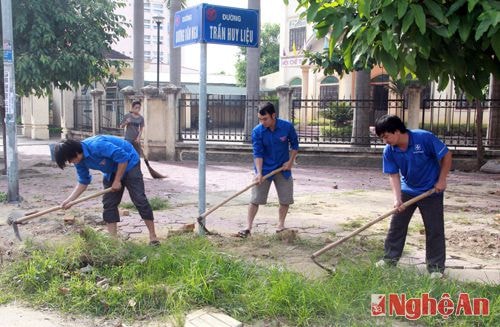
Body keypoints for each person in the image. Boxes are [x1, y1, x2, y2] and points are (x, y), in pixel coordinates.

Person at [374, 115, 452, 278]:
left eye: (386, 136)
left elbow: (446, 155)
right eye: (382, 138)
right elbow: (393, 175)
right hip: (408, 190)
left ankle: (436, 269)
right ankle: (389, 260)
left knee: (434, 229)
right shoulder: (389, 150)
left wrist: (442, 180)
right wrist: (397, 199)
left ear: (396, 131)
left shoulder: (424, 138)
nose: (385, 141)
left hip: (431, 191)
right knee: (397, 225)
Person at [54, 135, 160, 245]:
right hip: (111, 169)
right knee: (109, 203)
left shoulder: (97, 145)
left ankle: (153, 237)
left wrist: (117, 180)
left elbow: (123, 158)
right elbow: (83, 181)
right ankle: (113, 241)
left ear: (75, 152)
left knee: (139, 199)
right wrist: (70, 200)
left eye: (70, 159)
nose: (71, 162)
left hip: (129, 162)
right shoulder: (79, 161)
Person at [237, 102, 299, 238]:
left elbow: (295, 145)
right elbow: (257, 153)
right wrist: (259, 173)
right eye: (260, 119)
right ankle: (248, 227)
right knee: (255, 199)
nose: (262, 122)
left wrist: (290, 162)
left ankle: (280, 225)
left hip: (283, 169)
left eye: (265, 119)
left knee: (285, 199)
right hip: (264, 170)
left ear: (273, 115)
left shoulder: (286, 127)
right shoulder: (257, 131)